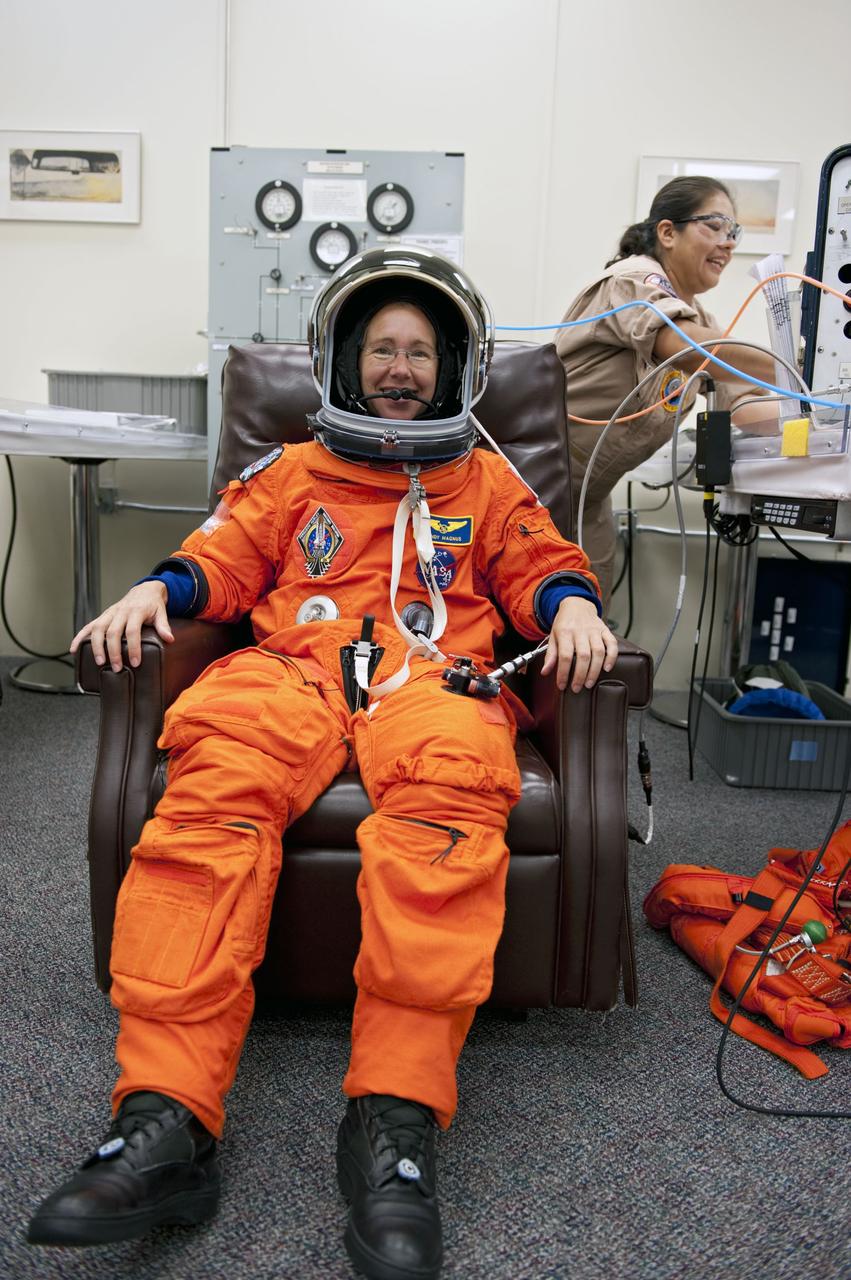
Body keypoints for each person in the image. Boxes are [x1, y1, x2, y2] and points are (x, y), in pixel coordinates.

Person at [27, 248, 617, 1280]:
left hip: (433, 680)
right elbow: (218, 555)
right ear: (344, 360)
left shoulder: (481, 475)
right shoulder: (291, 471)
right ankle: (163, 1117)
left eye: (419, 353)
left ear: (453, 369)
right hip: (286, 673)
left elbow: (542, 564)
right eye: (382, 347)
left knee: (445, 819)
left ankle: (391, 1123)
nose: (399, 368)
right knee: (205, 809)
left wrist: (571, 611)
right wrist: (154, 592)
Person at [556, 175, 776, 609]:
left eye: (733, 232)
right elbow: (688, 346)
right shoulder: (631, 280)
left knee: (589, 619)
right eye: (713, 225)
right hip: (535, 485)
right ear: (668, 232)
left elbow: (744, 398)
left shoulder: (700, 317)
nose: (728, 243)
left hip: (588, 499)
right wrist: (792, 364)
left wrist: (811, 421)